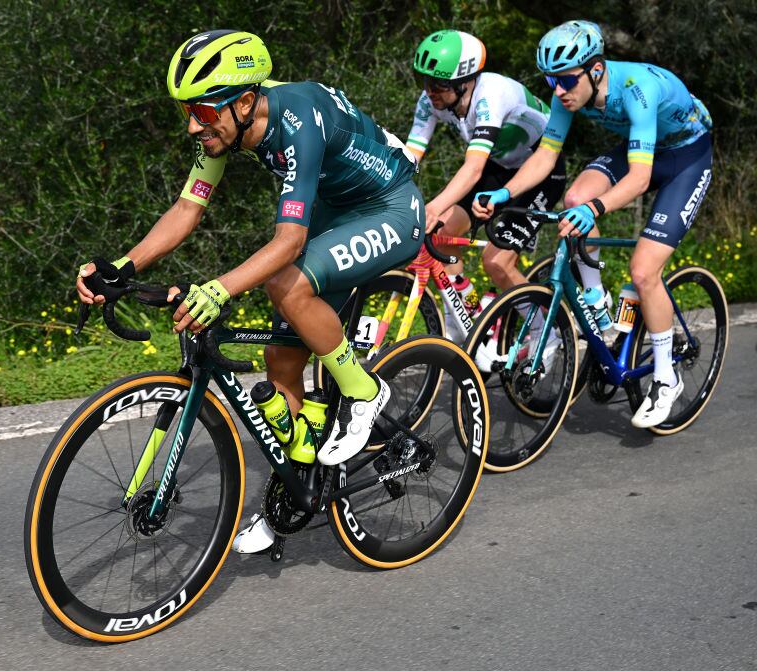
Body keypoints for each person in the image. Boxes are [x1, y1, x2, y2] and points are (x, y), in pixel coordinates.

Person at [76, 30, 425, 552]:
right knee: (281, 365)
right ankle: (296, 492)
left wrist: (219, 288)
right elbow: (188, 207)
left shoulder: (297, 119)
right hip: (339, 210)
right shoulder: (227, 124)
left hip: (390, 209)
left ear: (243, 102)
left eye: (201, 111)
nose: (193, 125)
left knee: (284, 280)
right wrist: (123, 266)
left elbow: (288, 242)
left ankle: (363, 390)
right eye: (187, 111)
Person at [472, 20, 713, 428]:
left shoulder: (637, 90)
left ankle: (666, 378)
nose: (559, 90)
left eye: (566, 80)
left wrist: (596, 210)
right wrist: (504, 194)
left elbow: (639, 179)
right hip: (644, 149)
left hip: (687, 157)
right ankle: (598, 299)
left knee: (643, 270)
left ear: (596, 70)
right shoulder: (569, 94)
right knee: (574, 199)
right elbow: (546, 156)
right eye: (551, 80)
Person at [408, 29, 567, 341]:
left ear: (464, 81)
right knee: (440, 237)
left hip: (540, 172)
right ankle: (468, 313)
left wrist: (433, 207)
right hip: (500, 166)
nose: (429, 92)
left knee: (496, 262)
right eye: (423, 81)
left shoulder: (490, 95)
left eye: (437, 83)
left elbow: (473, 167)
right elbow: (410, 154)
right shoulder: (433, 101)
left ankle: (546, 334)